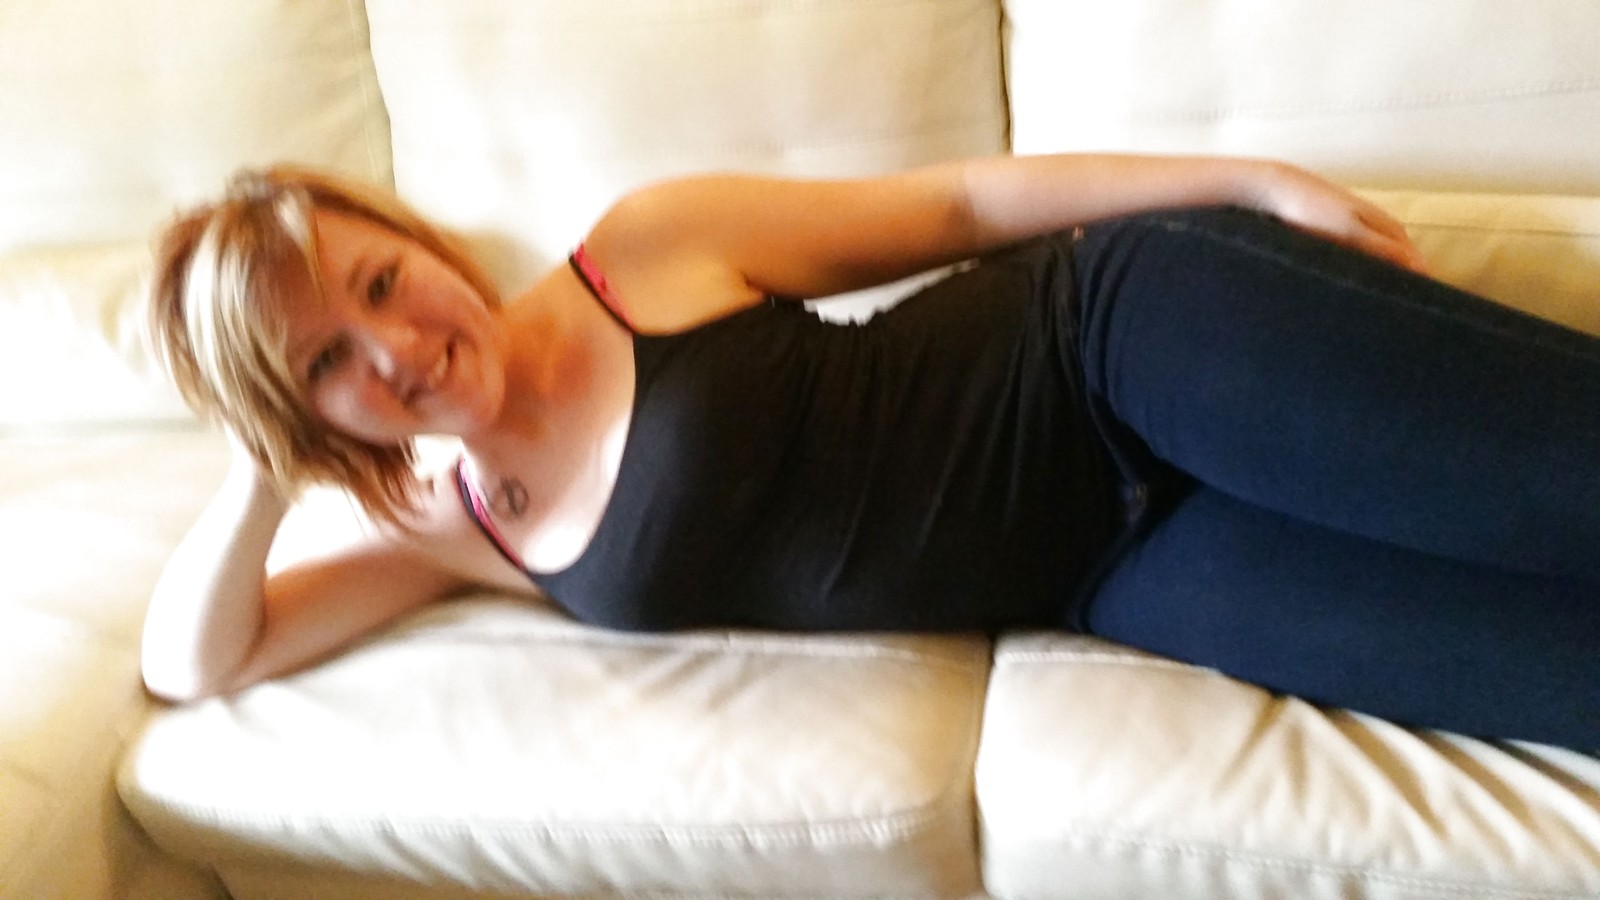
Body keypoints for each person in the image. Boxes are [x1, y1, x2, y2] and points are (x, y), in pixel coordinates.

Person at [140, 153, 1598, 751]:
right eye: (325, 361)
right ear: (301, 414)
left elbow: (958, 207)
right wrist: (262, 464)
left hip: (1117, 344)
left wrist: (1252, 181)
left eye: (379, 281)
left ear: (417, 242)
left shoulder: (638, 253)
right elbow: (194, 662)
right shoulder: (456, 529)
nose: (393, 346)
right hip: (1120, 568)